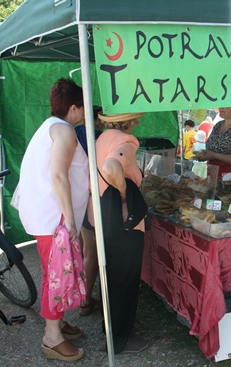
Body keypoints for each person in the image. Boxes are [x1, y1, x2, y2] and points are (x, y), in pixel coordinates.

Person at [18, 78, 89, 362]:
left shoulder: (51, 127)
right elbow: (59, 175)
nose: (84, 112)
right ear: (74, 107)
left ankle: (57, 322)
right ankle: (52, 337)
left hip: (46, 214)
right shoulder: (65, 131)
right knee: (55, 274)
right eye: (82, 107)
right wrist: (70, 220)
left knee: (55, 272)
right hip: (53, 217)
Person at [89, 111, 149, 354]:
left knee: (112, 276)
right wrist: (125, 194)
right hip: (124, 220)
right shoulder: (126, 141)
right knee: (124, 280)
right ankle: (120, 340)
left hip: (104, 214)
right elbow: (111, 166)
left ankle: (112, 330)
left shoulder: (103, 137)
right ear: (132, 120)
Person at [75, 106, 103, 317]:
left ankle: (82, 295)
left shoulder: (72, 133)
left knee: (83, 249)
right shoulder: (100, 137)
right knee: (91, 252)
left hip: (76, 196)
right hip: (92, 197)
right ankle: (85, 300)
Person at [197, 106, 231, 175]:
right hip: (215, 174)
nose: (221, 107)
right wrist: (204, 155)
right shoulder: (218, 125)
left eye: (225, 105)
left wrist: (214, 155)